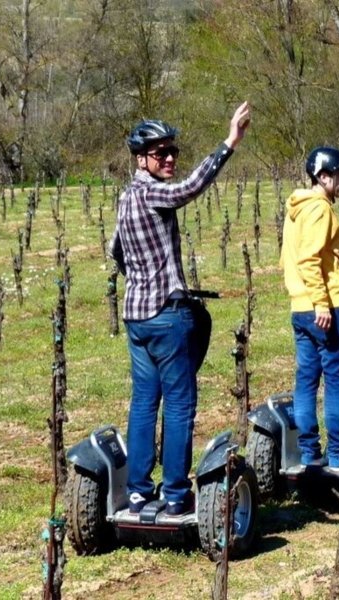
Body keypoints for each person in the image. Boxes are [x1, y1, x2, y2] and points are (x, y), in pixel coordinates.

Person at [110, 101, 251, 516]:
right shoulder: (153, 192)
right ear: (141, 159)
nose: (169, 158)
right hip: (167, 318)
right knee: (178, 405)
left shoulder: (125, 197)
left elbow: (115, 250)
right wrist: (229, 142)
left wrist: (140, 277)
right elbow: (189, 188)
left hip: (136, 317)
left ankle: (137, 491)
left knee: (143, 402)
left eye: (173, 151)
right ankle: (174, 494)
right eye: (160, 153)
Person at [282, 146, 339, 477]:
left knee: (306, 381)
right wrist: (322, 302)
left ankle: (309, 453)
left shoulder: (296, 209)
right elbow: (309, 259)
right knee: (337, 381)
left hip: (300, 308)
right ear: (323, 176)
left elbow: (290, 260)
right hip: (325, 307)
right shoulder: (319, 209)